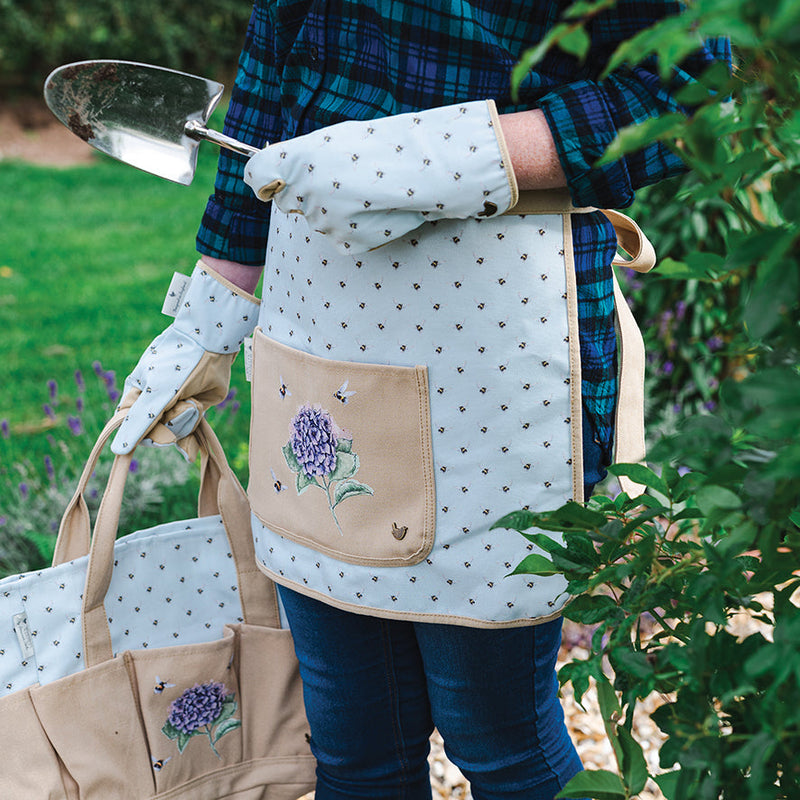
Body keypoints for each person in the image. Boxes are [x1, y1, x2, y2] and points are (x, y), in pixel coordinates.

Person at [111, 3, 730, 798]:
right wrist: (207, 319)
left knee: (501, 744)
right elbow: (268, 82)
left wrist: (450, 156)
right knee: (355, 745)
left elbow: (695, 87)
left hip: (496, 344)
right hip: (318, 338)